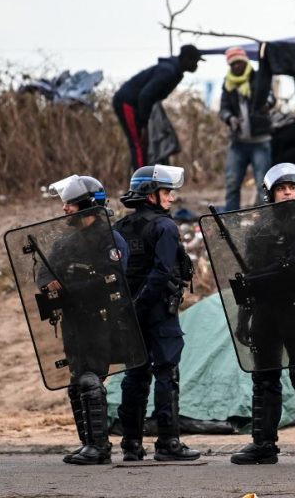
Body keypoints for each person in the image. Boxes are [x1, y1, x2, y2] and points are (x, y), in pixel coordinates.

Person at [230, 163, 295, 466]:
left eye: (292, 187)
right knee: (263, 378)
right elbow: (249, 275)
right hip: (265, 311)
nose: (287, 192)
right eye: (281, 188)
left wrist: (264, 278)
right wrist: (243, 317)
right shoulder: (259, 227)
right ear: (270, 194)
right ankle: (263, 444)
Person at [38, 175, 129, 465]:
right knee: (77, 380)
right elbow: (44, 271)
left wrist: (71, 290)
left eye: (70, 204)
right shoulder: (66, 242)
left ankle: (100, 447)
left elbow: (113, 279)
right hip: (73, 321)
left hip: (100, 319)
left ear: (87, 204)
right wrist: (49, 282)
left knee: (92, 377)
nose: (65, 209)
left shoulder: (109, 239)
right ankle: (88, 442)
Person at [113, 165, 199, 462]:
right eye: (166, 192)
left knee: (135, 375)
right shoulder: (165, 227)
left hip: (130, 312)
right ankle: (167, 443)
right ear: (151, 194)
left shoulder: (121, 228)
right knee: (166, 373)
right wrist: (143, 304)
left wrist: (131, 308)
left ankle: (131, 445)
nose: (171, 198)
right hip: (159, 310)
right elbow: (162, 273)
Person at [113, 45, 204, 171]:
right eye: (195, 61)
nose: (196, 66)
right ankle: (141, 185)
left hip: (136, 105)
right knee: (138, 144)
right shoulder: (168, 72)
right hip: (127, 102)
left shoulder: (174, 72)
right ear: (187, 59)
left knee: (142, 145)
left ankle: (143, 181)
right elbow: (145, 95)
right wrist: (144, 124)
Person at [219, 46, 273, 210]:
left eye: (239, 62)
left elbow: (270, 97)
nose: (236, 66)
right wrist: (230, 118)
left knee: (263, 184)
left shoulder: (258, 78)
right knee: (232, 182)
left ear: (245, 62)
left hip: (260, 141)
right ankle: (230, 221)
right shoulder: (228, 84)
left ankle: (267, 220)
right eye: (233, 64)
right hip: (238, 142)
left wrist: (267, 104)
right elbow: (223, 108)